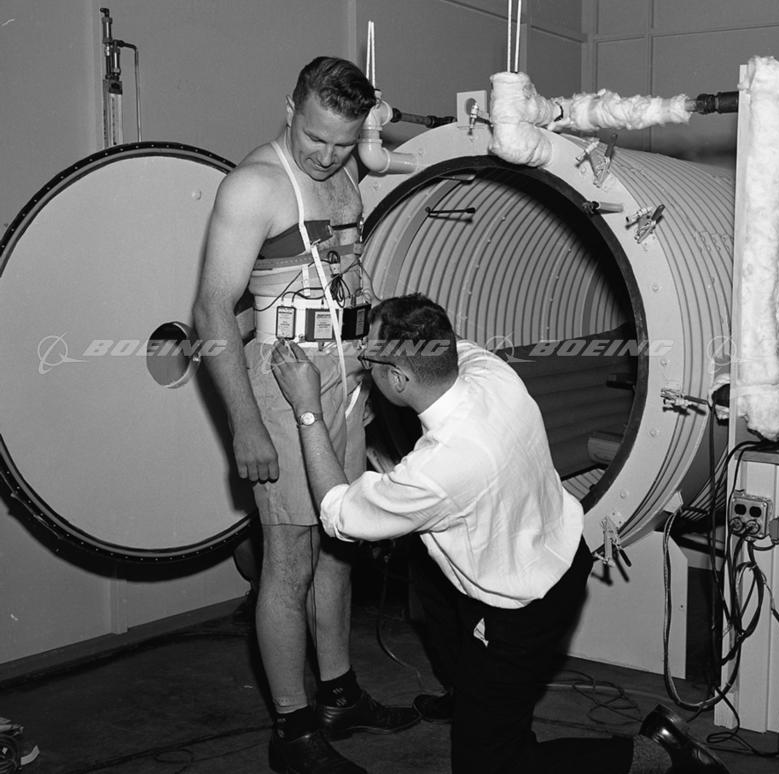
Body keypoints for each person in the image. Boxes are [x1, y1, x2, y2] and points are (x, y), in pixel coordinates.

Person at [269, 292, 730, 774]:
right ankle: (471, 698)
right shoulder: (492, 373)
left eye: (369, 360)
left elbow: (339, 513)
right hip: (561, 552)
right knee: (431, 580)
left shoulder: (438, 468)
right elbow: (451, 343)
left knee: (492, 765)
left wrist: (308, 408)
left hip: (520, 609)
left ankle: (660, 753)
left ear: (399, 379)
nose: (364, 365)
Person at [193, 57, 418, 774]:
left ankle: (338, 695)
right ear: (289, 108)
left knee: (339, 546)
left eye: (341, 143)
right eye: (315, 137)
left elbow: (344, 283)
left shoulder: (342, 173)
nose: (325, 155)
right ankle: (292, 732)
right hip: (281, 388)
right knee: (287, 562)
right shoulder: (255, 186)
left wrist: (369, 376)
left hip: (342, 383)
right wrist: (245, 424)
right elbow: (211, 311)